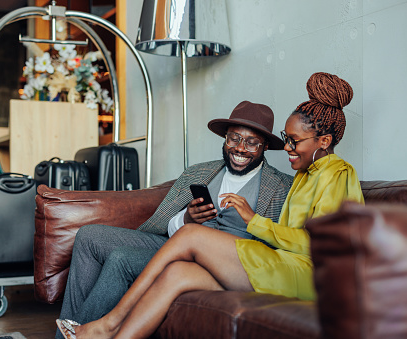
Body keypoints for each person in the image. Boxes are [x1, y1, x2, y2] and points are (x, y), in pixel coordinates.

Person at [56, 72, 365, 339]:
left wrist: (252, 220)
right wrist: (186, 218)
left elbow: (321, 248)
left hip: (296, 274)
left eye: (292, 141)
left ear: (323, 142)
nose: (287, 147)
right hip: (223, 257)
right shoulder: (304, 174)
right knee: (174, 271)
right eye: (286, 138)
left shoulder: (332, 175)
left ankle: (108, 324)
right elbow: (155, 225)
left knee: (168, 246)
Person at [55, 101, 294, 338]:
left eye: (252, 142)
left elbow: (276, 250)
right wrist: (187, 219)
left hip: (225, 262)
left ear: (264, 147)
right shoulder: (199, 172)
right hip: (175, 246)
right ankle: (71, 330)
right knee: (88, 236)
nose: (240, 148)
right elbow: (162, 226)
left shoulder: (281, 187)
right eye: (234, 138)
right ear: (225, 139)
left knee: (122, 259)